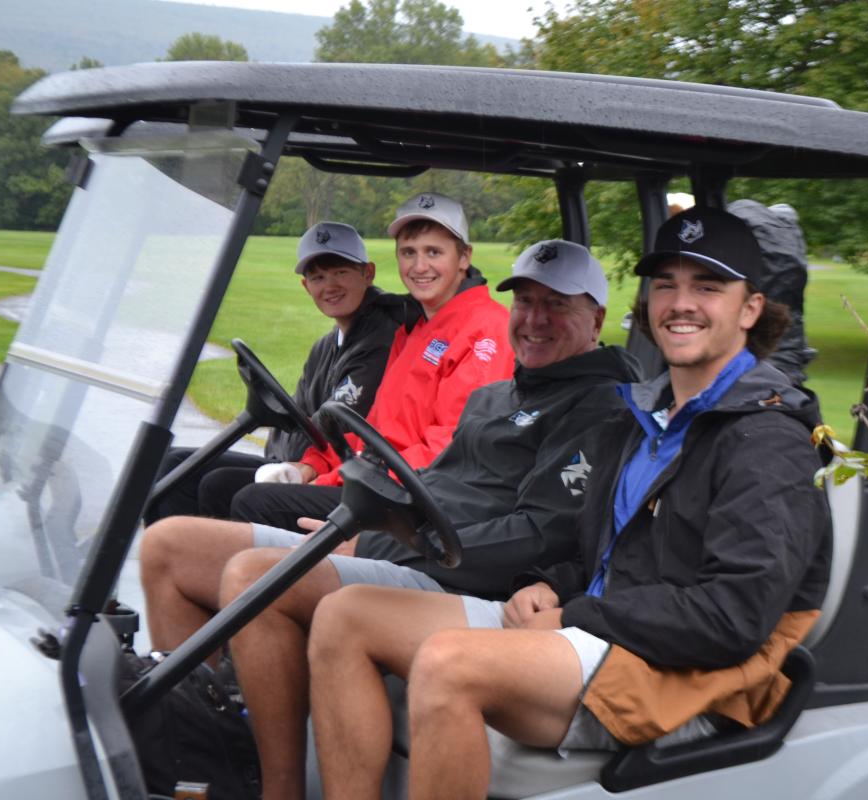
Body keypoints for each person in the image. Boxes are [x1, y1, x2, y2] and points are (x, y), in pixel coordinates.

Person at [307, 206, 833, 800]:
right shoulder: (645, 414)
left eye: (708, 287)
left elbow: (732, 617)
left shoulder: (767, 441)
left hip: (680, 670)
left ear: (751, 308)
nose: (682, 303)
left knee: (446, 663)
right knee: (345, 614)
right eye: (667, 286)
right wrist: (552, 584)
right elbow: (608, 547)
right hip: (601, 628)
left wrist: (578, 614)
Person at [139, 240, 640, 800]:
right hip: (408, 546)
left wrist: (386, 545)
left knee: (255, 576)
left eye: (557, 304)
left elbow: (538, 534)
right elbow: (435, 485)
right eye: (525, 301)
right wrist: (363, 522)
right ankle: (200, 756)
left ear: (595, 317)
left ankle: (276, 788)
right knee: (170, 546)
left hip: (459, 575)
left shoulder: (602, 405)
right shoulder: (497, 395)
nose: (534, 319)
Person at [218, 191, 515, 529]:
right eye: (408, 253)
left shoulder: (485, 331)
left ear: (464, 257)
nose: (419, 267)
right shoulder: (416, 329)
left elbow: (450, 448)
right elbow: (370, 428)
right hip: (382, 480)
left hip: (417, 499)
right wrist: (311, 466)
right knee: (221, 487)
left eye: (434, 252)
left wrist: (341, 478)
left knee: (253, 503)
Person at [143, 221, 406, 523]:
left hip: (336, 472)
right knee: (174, 463)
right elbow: (301, 418)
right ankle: (171, 561)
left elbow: (334, 425)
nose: (329, 286)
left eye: (340, 272)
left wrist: (294, 459)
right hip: (293, 464)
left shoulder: (382, 338)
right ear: (306, 287)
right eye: (317, 277)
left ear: (367, 273)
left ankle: (210, 562)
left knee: (217, 485)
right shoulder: (326, 345)